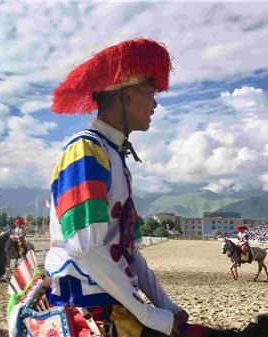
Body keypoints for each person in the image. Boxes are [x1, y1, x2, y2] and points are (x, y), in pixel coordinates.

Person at [44, 39, 191, 337]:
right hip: (86, 298)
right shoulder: (84, 151)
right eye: (150, 92)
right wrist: (151, 314)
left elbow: (129, 252)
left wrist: (168, 306)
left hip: (116, 295)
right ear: (126, 96)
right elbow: (86, 248)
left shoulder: (114, 156)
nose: (155, 103)